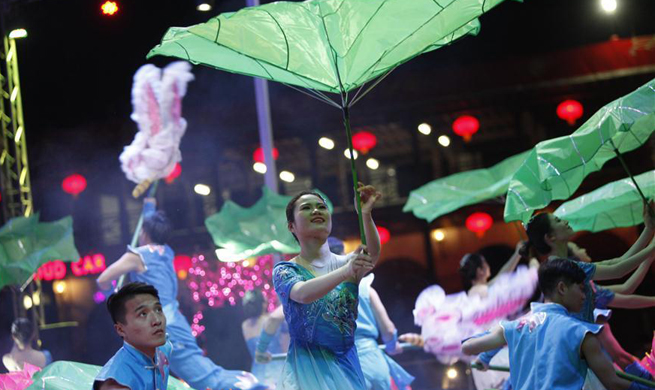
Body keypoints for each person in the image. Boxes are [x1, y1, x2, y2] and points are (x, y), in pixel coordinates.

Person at [97, 197, 264, 390]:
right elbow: (153, 228)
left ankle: (250, 387)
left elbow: (103, 280)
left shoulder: (137, 256)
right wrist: (149, 206)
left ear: (144, 233)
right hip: (172, 320)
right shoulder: (165, 252)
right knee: (171, 373)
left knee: (202, 377)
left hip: (161, 326)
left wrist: (115, 297)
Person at [461, 259, 652, 390]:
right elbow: (613, 382)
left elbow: (468, 346)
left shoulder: (514, 326)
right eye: (580, 289)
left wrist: (489, 349)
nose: (585, 296)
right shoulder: (581, 332)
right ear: (561, 288)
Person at [273, 184, 381, 390]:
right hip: (307, 369)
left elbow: (372, 255)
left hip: (348, 366)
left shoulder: (348, 264)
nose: (316, 210)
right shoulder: (285, 270)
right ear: (291, 226)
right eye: (306, 208)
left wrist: (365, 214)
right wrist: (346, 271)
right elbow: (303, 294)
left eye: (321, 207)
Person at [524, 210, 655, 377]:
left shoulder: (568, 268)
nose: (564, 221)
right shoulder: (561, 268)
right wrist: (651, 247)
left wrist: (649, 230)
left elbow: (619, 264)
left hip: (579, 351)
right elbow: (618, 270)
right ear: (550, 238)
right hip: (573, 355)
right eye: (557, 220)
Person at [414, 242, 539, 390]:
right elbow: (504, 278)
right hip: (497, 356)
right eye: (486, 264)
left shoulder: (471, 296)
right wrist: (532, 261)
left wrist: (517, 254)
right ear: (480, 271)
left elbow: (502, 275)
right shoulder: (484, 293)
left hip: (483, 361)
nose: (489, 268)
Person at [330, 236, 416, 390]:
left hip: (342, 367)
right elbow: (388, 328)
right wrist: (391, 345)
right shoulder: (365, 288)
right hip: (374, 362)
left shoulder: (318, 292)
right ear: (344, 255)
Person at [94, 282, 172, 390]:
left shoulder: (164, 348)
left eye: (158, 310)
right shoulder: (117, 384)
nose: (157, 321)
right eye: (143, 314)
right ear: (121, 329)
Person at [242, 289, 288, 388]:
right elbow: (286, 346)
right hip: (279, 374)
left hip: (256, 377)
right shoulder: (273, 319)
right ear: (263, 304)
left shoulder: (244, 325)